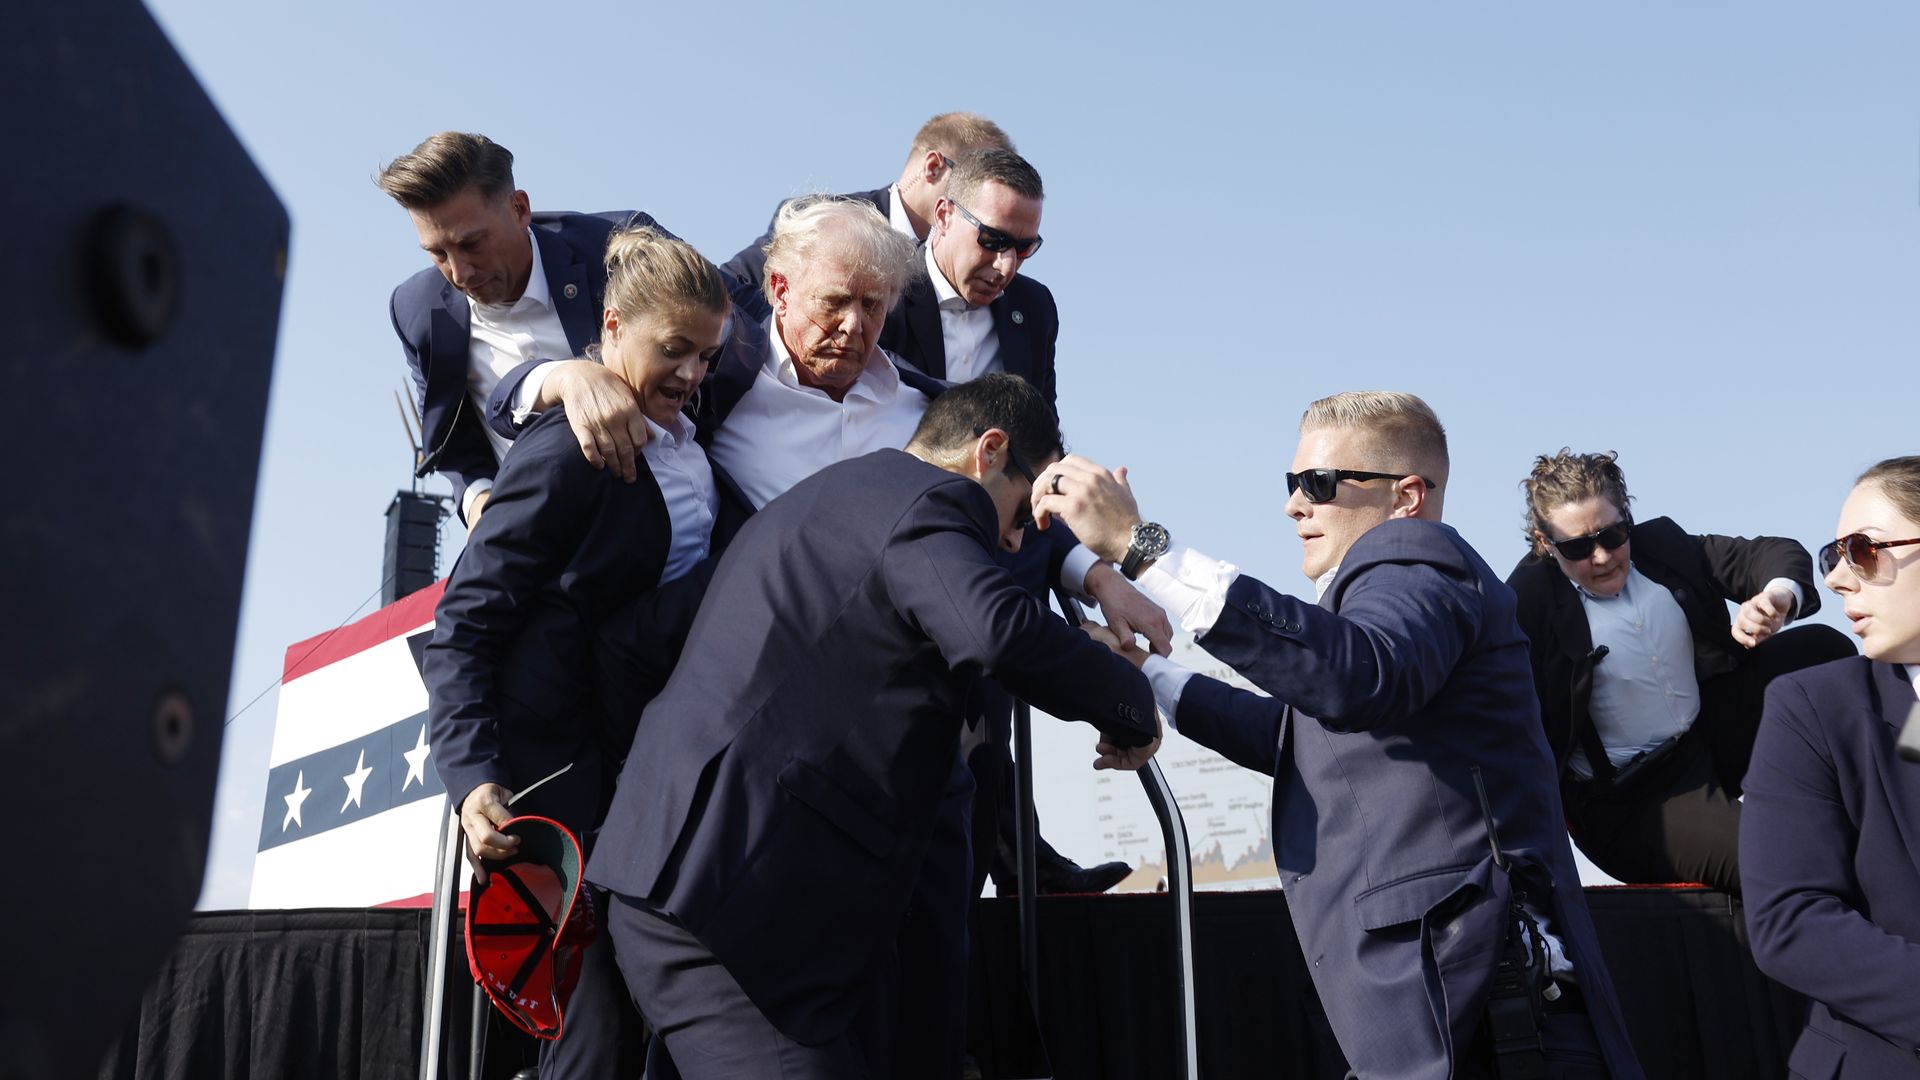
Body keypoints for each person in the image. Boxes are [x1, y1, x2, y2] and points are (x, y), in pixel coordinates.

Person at [1032, 392, 1644, 1080]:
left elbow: (1356, 677)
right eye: (1292, 484)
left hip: (1493, 1026)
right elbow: (1302, 737)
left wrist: (1144, 550)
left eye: (1319, 484)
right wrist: (1155, 680)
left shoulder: (1418, 562)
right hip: (1454, 1025)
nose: (1296, 505)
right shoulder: (1391, 611)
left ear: (1406, 496)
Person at [584, 374, 1161, 1080]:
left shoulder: (839, 499)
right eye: (1025, 509)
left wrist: (1076, 645)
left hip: (713, 886)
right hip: (730, 900)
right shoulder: (928, 504)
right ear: (990, 451)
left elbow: (929, 637)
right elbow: (996, 633)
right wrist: (1127, 702)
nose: (1016, 542)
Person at [422, 226, 732, 1080]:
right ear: (613, 325)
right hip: (556, 788)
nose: (694, 375)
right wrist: (473, 776)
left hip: (645, 775)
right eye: (676, 350)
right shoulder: (568, 451)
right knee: (591, 1038)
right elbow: (465, 623)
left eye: (707, 356)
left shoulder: (690, 440)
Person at [1506, 450, 1853, 895]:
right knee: (1787, 862)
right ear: (1544, 543)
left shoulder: (1662, 545)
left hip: (1705, 739)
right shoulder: (1524, 603)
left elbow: (1770, 555)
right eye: (1576, 546)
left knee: (1823, 649)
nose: (1601, 557)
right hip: (1633, 801)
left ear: (1627, 518)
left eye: (1612, 535)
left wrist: (1776, 599)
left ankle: (1870, 784)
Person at [379, 131, 675, 524]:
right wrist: (480, 501)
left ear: (519, 209)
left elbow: (724, 318)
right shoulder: (414, 310)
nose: (459, 272)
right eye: (438, 254)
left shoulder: (620, 247)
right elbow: (452, 442)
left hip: (668, 513)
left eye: (472, 244)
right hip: (540, 549)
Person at [1741, 455, 1920, 1079]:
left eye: (1863, 550)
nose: (1841, 579)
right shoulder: (1813, 708)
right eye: (1833, 555)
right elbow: (1790, 920)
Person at [722, 111, 1013, 320]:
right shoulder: (821, 220)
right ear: (933, 167)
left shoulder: (978, 278)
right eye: (976, 179)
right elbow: (725, 287)